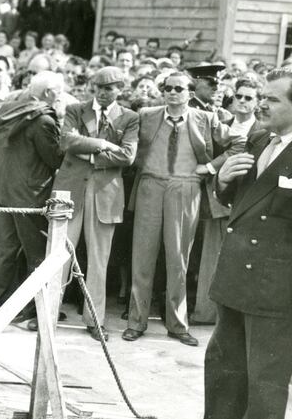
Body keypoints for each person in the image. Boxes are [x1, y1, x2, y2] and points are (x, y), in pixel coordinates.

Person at [122, 72, 243, 346]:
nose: (172, 93)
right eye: (167, 88)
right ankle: (136, 321)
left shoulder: (206, 118)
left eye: (179, 89)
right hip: (151, 186)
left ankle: (177, 324)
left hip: (186, 187)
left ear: (190, 93)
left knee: (178, 258)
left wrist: (210, 167)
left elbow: (239, 143)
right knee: (142, 255)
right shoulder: (146, 114)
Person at [203, 68, 292, 419]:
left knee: (264, 384)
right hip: (236, 278)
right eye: (262, 97)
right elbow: (238, 202)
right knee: (223, 374)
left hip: (276, 291)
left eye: (271, 99)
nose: (261, 105)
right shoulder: (257, 140)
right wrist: (222, 181)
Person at [52, 67, 139, 341]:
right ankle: (48, 314)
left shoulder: (129, 117)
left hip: (105, 194)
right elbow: (66, 140)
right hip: (72, 190)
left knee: (99, 262)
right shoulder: (77, 109)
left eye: (110, 87)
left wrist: (88, 154)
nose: (103, 92)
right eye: (99, 87)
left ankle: (95, 319)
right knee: (58, 256)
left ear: (120, 89)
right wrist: (102, 143)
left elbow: (127, 156)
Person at [0, 71, 63, 322]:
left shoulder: (10, 109)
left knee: (3, 253)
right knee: (36, 255)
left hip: (2, 190)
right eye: (59, 92)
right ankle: (34, 311)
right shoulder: (44, 121)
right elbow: (54, 158)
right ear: (49, 92)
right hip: (29, 196)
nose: (60, 97)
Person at [192, 78, 262, 325]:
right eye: (239, 97)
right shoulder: (222, 125)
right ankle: (206, 314)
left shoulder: (262, 130)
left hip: (248, 202)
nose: (242, 102)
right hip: (218, 199)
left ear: (257, 102)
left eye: (248, 98)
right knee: (211, 257)